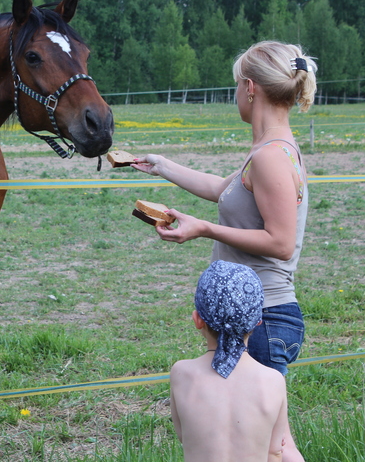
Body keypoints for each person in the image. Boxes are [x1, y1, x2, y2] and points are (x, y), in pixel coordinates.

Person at [133, 41, 316, 462]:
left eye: (236, 85)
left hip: (263, 317)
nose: (235, 93)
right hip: (258, 315)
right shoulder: (269, 149)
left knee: (267, 450)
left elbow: (281, 242)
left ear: (250, 88)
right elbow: (223, 189)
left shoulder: (269, 157)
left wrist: (202, 229)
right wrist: (162, 165)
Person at [170, 260, 289, 462]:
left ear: (198, 319)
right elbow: (275, 451)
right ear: (257, 321)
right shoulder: (273, 379)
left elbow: (184, 436)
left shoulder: (182, 373)